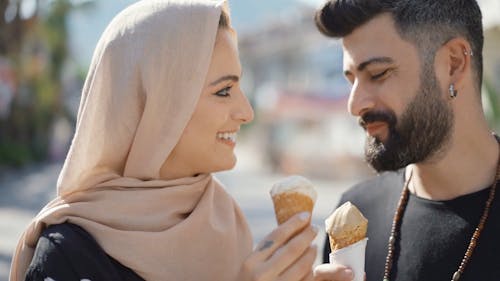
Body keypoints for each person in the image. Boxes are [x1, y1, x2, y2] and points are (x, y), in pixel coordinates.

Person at [9, 1, 319, 280]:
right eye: (224, 91)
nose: (247, 112)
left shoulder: (226, 223)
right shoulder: (68, 255)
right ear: (157, 106)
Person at [311, 1, 500, 281]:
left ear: (454, 64)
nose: (354, 104)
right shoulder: (355, 215)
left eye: (378, 74)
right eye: (352, 80)